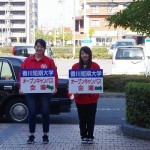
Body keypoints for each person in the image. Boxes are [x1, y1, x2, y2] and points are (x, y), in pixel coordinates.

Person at [19, 39, 58, 144]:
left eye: (41, 46)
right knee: (32, 112)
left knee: (45, 112)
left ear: (44, 48)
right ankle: (31, 135)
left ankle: (45, 135)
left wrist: (54, 87)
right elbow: (22, 75)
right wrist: (21, 87)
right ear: (34, 47)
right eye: (37, 46)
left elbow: (54, 75)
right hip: (30, 92)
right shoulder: (27, 60)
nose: (39, 48)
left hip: (45, 92)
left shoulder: (49, 61)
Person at [71, 46, 100, 144]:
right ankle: (83, 136)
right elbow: (72, 83)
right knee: (82, 118)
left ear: (90, 54)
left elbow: (98, 83)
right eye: (82, 53)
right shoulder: (75, 67)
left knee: (91, 118)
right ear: (80, 55)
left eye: (86, 53)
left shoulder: (95, 66)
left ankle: (90, 136)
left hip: (91, 98)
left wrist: (95, 93)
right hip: (80, 98)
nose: (84, 55)